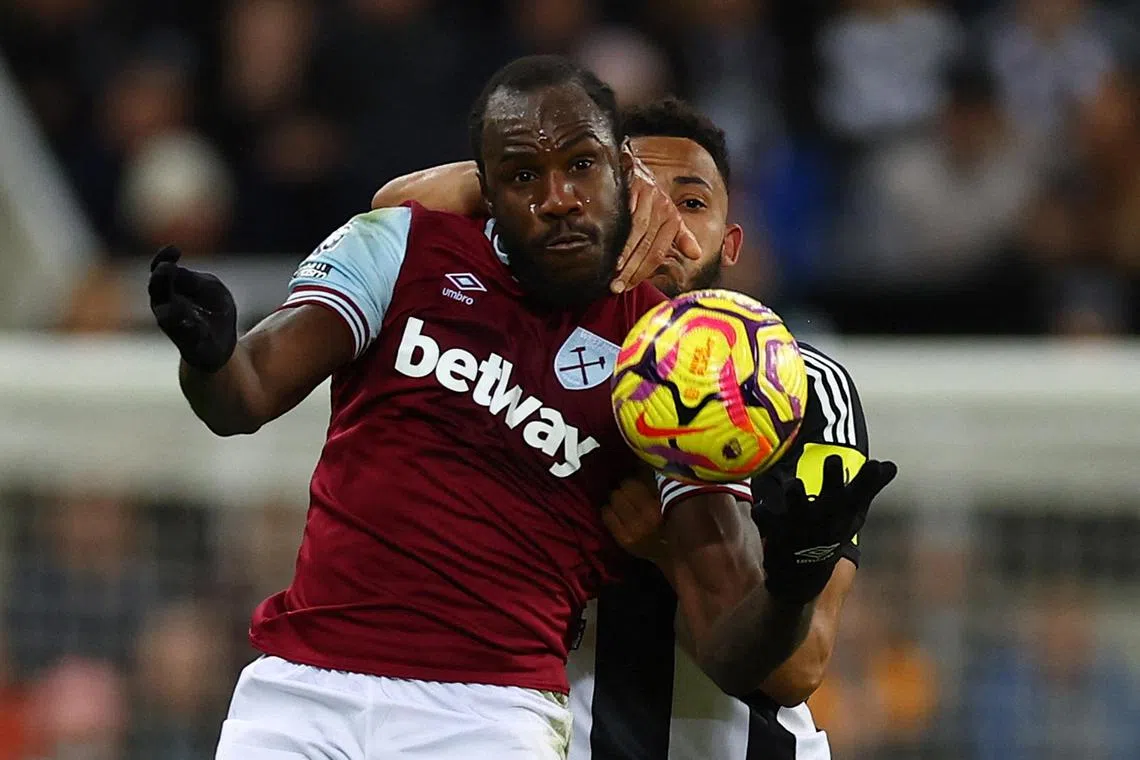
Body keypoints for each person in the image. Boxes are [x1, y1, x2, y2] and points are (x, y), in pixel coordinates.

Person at [148, 57, 873, 760]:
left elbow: (744, 643)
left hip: (490, 714)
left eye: (581, 167)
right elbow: (243, 394)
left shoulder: (677, 374)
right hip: (305, 687)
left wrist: (790, 583)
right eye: (525, 175)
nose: (559, 196)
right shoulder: (405, 246)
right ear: (486, 188)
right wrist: (207, 359)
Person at [372, 95, 896, 760]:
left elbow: (800, 671)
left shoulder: (804, 387)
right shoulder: (527, 361)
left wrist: (671, 552)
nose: (664, 220)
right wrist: (538, 171)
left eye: (693, 203)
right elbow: (392, 214)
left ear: (730, 245)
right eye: (635, 193)